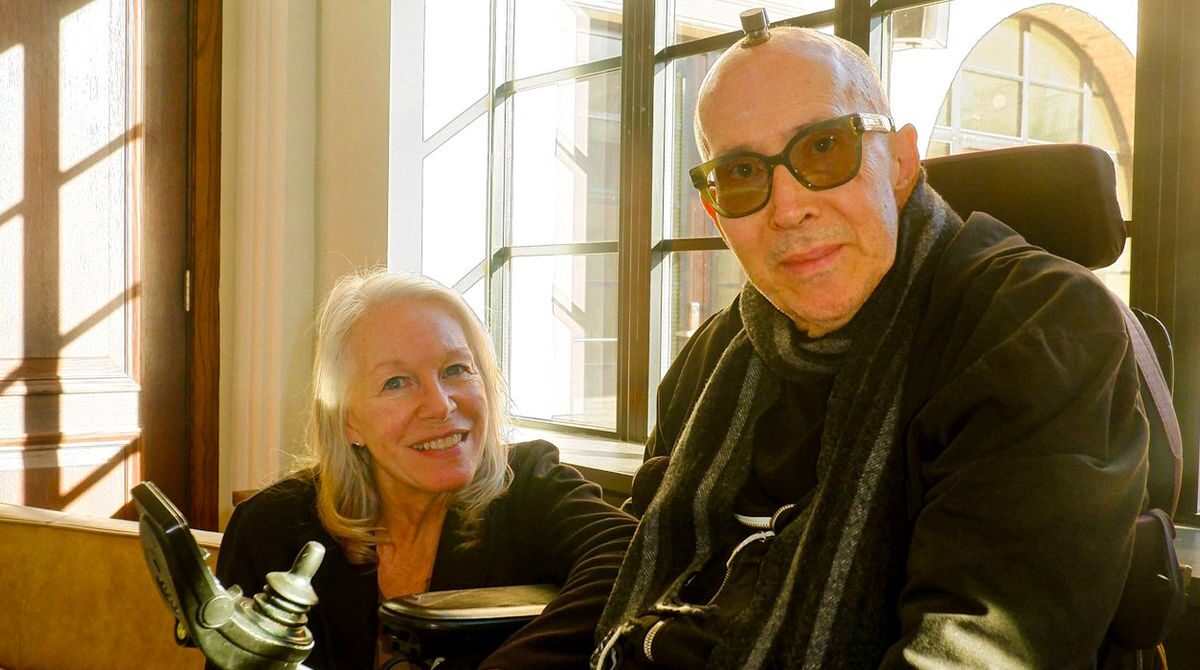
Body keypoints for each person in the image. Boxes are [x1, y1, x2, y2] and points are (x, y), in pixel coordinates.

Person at [592, 25, 1147, 670]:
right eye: (742, 174)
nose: (788, 207)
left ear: (902, 163)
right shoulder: (717, 354)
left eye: (825, 147)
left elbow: (978, 648)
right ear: (717, 215)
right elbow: (635, 556)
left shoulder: (1034, 324)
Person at [216, 268, 637, 669]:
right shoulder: (271, 527)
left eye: (455, 370)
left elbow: (634, 558)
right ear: (347, 420)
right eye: (396, 382)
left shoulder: (531, 486)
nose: (440, 405)